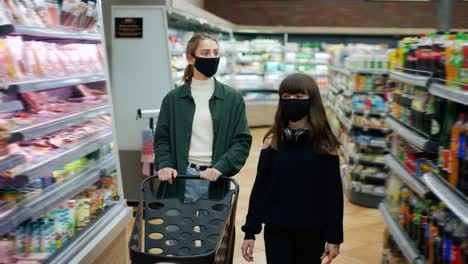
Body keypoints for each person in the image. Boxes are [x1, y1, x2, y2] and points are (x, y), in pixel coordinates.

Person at [241, 73, 344, 264]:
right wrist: (250, 231)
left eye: (298, 97)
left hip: (313, 230)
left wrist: (334, 237)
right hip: (277, 229)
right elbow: (260, 189)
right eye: (286, 97)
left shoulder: (325, 144)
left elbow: (334, 195)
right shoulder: (272, 142)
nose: (291, 102)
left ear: (311, 101)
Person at [154, 32, 252, 203]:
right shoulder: (173, 99)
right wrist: (165, 164)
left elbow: (242, 141)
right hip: (180, 178)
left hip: (215, 179)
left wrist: (221, 167)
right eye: (206, 53)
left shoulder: (232, 98)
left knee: (213, 230)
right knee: (179, 229)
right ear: (191, 59)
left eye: (215, 53)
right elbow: (162, 138)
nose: (212, 58)